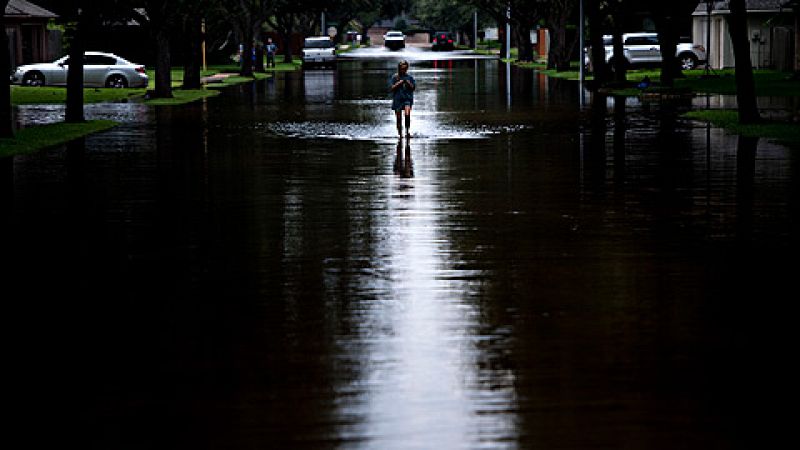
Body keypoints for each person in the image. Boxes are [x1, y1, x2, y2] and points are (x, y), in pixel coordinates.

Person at [389, 60, 416, 138]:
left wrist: (408, 83)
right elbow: (392, 88)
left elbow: (413, 88)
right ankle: (400, 134)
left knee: (407, 114)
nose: (403, 70)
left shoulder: (410, 77)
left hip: (407, 99)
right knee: (399, 118)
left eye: (405, 69)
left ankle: (407, 131)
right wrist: (399, 83)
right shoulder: (395, 77)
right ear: (399, 68)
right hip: (398, 99)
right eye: (402, 69)